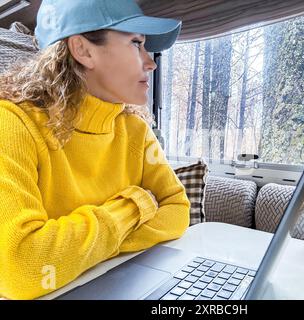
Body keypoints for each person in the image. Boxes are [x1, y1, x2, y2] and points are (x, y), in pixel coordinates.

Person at [0, 0, 190, 300]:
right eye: (136, 43)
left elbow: (178, 212)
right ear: (83, 50)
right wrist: (135, 205)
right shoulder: (12, 124)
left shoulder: (135, 130)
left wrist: (77, 250)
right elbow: (21, 267)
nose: (150, 62)